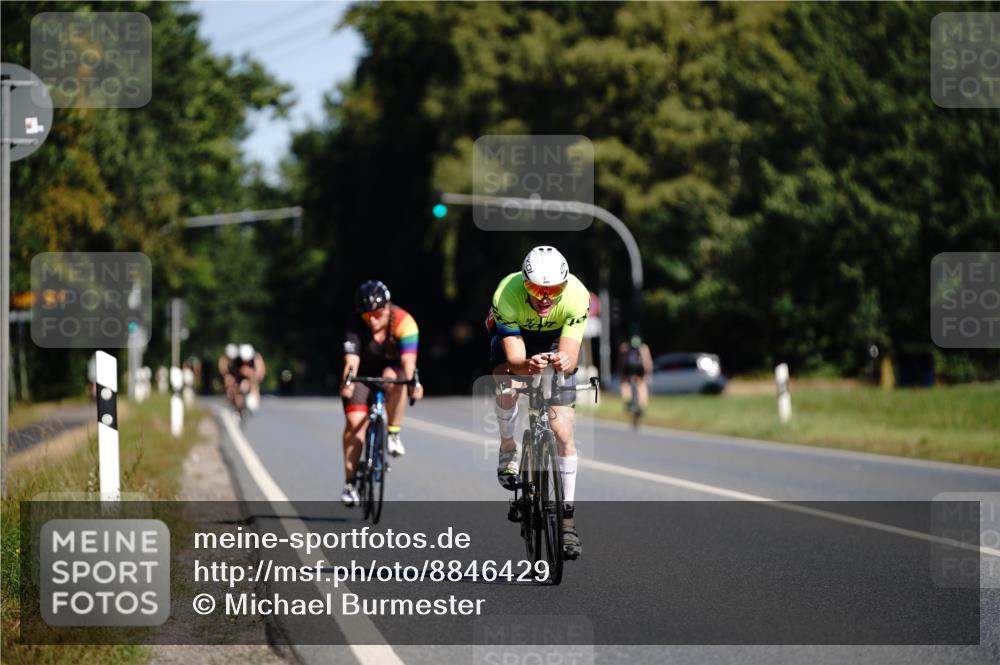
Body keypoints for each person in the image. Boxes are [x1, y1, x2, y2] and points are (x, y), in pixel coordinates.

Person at [487, 246, 590, 560]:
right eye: (536, 289)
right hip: (517, 340)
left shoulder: (576, 296)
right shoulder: (506, 293)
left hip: (556, 341)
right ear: (524, 282)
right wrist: (525, 366)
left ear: (564, 285)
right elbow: (515, 359)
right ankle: (508, 449)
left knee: (562, 432)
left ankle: (568, 523)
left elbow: (571, 359)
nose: (545, 298)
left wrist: (562, 360)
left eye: (553, 291)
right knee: (507, 388)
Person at [339, 280, 423, 507]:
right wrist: (347, 382)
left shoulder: (405, 322)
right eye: (367, 316)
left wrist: (414, 384)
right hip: (362, 375)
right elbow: (351, 361)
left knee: (394, 377)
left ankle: (393, 433)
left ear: (387, 308)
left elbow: (408, 361)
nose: (372, 319)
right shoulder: (355, 324)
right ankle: (350, 484)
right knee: (355, 423)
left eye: (377, 313)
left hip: (391, 371)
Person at [617, 333, 653, 416]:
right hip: (636, 373)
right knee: (639, 387)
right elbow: (647, 363)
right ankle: (638, 406)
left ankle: (635, 406)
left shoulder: (625, 348)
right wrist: (647, 374)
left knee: (630, 387)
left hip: (632, 373)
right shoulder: (643, 348)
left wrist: (622, 375)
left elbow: (621, 364)